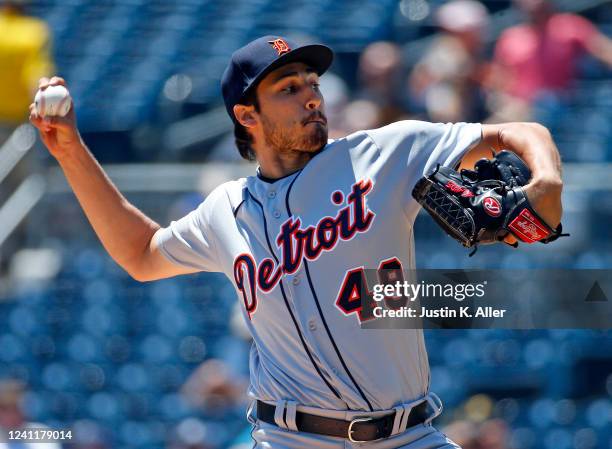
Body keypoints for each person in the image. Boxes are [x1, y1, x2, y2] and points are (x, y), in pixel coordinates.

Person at [30, 35, 563, 448]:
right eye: (288, 89)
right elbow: (141, 255)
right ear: (247, 116)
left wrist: (546, 181)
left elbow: (516, 132)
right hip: (289, 437)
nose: (311, 97)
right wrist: (71, 151)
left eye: (312, 84)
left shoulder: (384, 152)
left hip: (410, 434)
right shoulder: (226, 210)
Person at [487, 0, 612, 121]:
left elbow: (604, 51)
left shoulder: (569, 26)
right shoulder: (510, 37)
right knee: (499, 125)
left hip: (560, 105)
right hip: (520, 108)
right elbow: (499, 81)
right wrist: (503, 101)